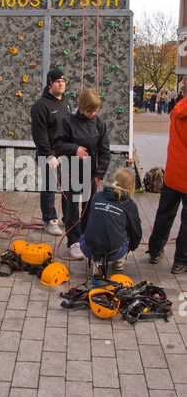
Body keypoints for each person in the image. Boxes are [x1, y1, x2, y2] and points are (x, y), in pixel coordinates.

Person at [54, 89, 110, 259]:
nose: (93, 114)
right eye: (89, 111)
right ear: (82, 106)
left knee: (89, 208)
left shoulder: (99, 123)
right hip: (72, 172)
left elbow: (105, 150)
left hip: (91, 174)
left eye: (95, 110)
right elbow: (57, 144)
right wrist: (74, 149)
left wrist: (100, 172)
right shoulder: (68, 122)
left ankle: (86, 239)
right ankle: (73, 242)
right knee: (72, 209)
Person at [147, 94, 187, 274]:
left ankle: (155, 250)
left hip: (173, 171)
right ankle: (181, 261)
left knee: (164, 213)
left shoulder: (179, 107)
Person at [31, 68, 71, 236]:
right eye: (57, 81)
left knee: (67, 187)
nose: (61, 84)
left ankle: (68, 218)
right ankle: (49, 220)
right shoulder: (41, 105)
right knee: (49, 188)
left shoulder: (66, 102)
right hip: (49, 155)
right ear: (49, 84)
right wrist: (49, 156)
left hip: (65, 154)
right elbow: (39, 134)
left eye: (63, 81)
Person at [80, 168, 142, 276]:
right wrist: (131, 248)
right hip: (115, 252)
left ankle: (97, 261)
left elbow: (87, 221)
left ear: (114, 179)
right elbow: (136, 231)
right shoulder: (130, 204)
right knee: (126, 224)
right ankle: (119, 260)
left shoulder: (97, 196)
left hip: (88, 249)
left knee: (96, 222)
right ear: (130, 186)